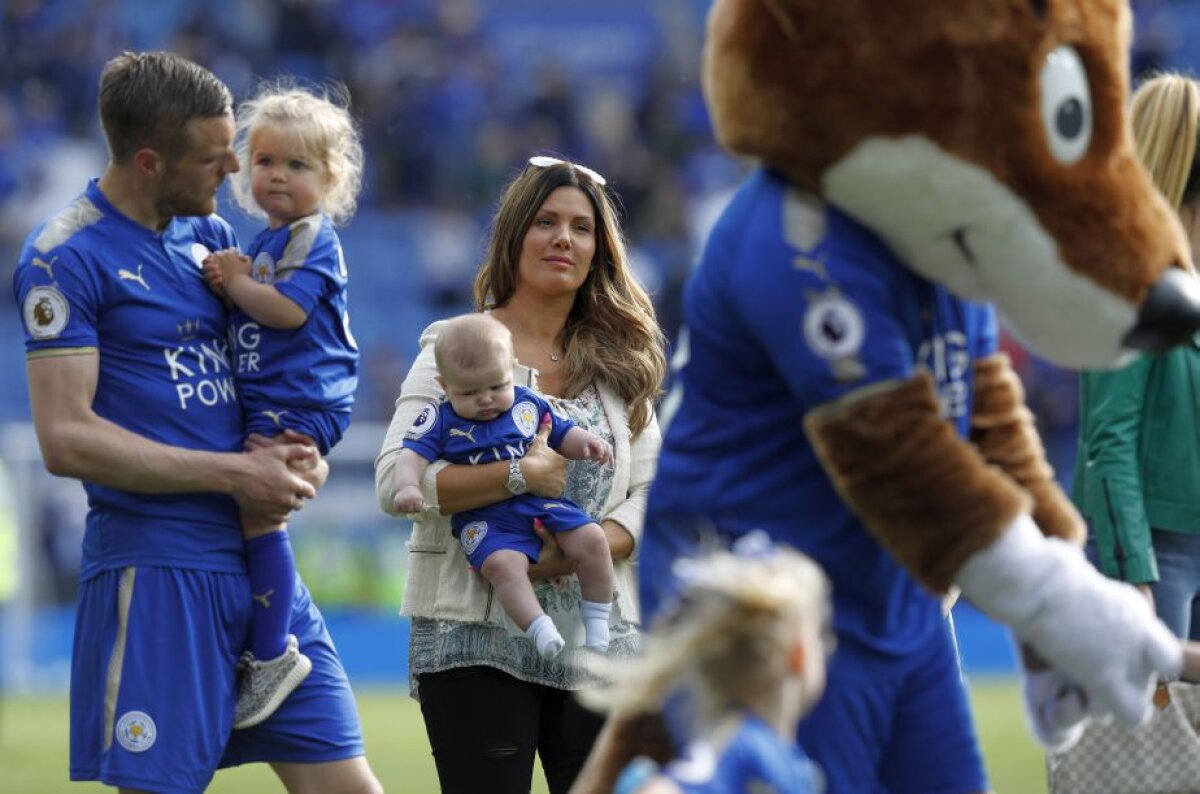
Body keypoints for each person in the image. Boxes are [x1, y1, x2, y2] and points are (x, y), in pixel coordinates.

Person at [12, 51, 380, 793]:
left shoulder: (212, 243)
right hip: (158, 570)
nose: (233, 176)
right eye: (216, 160)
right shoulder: (65, 258)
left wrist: (298, 447)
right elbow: (65, 439)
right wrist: (236, 472)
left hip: (257, 565)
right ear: (150, 161)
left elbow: (280, 357)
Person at [374, 155, 666, 794]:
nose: (564, 238)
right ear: (513, 237)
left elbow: (652, 495)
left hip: (601, 645)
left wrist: (571, 555)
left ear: (598, 251)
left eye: (581, 228)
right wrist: (519, 476)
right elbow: (397, 477)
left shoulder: (622, 364)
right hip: (476, 640)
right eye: (545, 222)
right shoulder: (455, 348)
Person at [200, 81, 364, 729]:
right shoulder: (268, 241)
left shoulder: (309, 237)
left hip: (300, 399)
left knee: (259, 516)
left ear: (329, 178)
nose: (277, 176)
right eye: (266, 161)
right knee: (252, 511)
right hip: (277, 400)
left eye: (297, 166)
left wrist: (236, 281)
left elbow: (290, 312)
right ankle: (262, 638)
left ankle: (271, 652)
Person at [391, 312, 617, 660]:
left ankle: (598, 626)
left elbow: (559, 430)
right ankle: (539, 628)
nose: (486, 399)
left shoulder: (527, 402)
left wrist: (586, 442)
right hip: (486, 518)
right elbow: (410, 456)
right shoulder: (439, 417)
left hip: (540, 505)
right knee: (502, 567)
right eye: (470, 391)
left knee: (593, 539)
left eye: (496, 387)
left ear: (511, 369)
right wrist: (407, 487)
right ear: (444, 386)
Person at [1071, 72, 1200, 642]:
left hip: (1178, 552)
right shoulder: (1131, 285)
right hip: (1154, 562)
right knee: (1144, 730)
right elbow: (1109, 440)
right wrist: (1133, 576)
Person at [589, 538, 831, 794]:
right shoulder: (742, 753)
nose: (831, 646)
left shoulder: (786, 762)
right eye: (821, 634)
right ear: (799, 653)